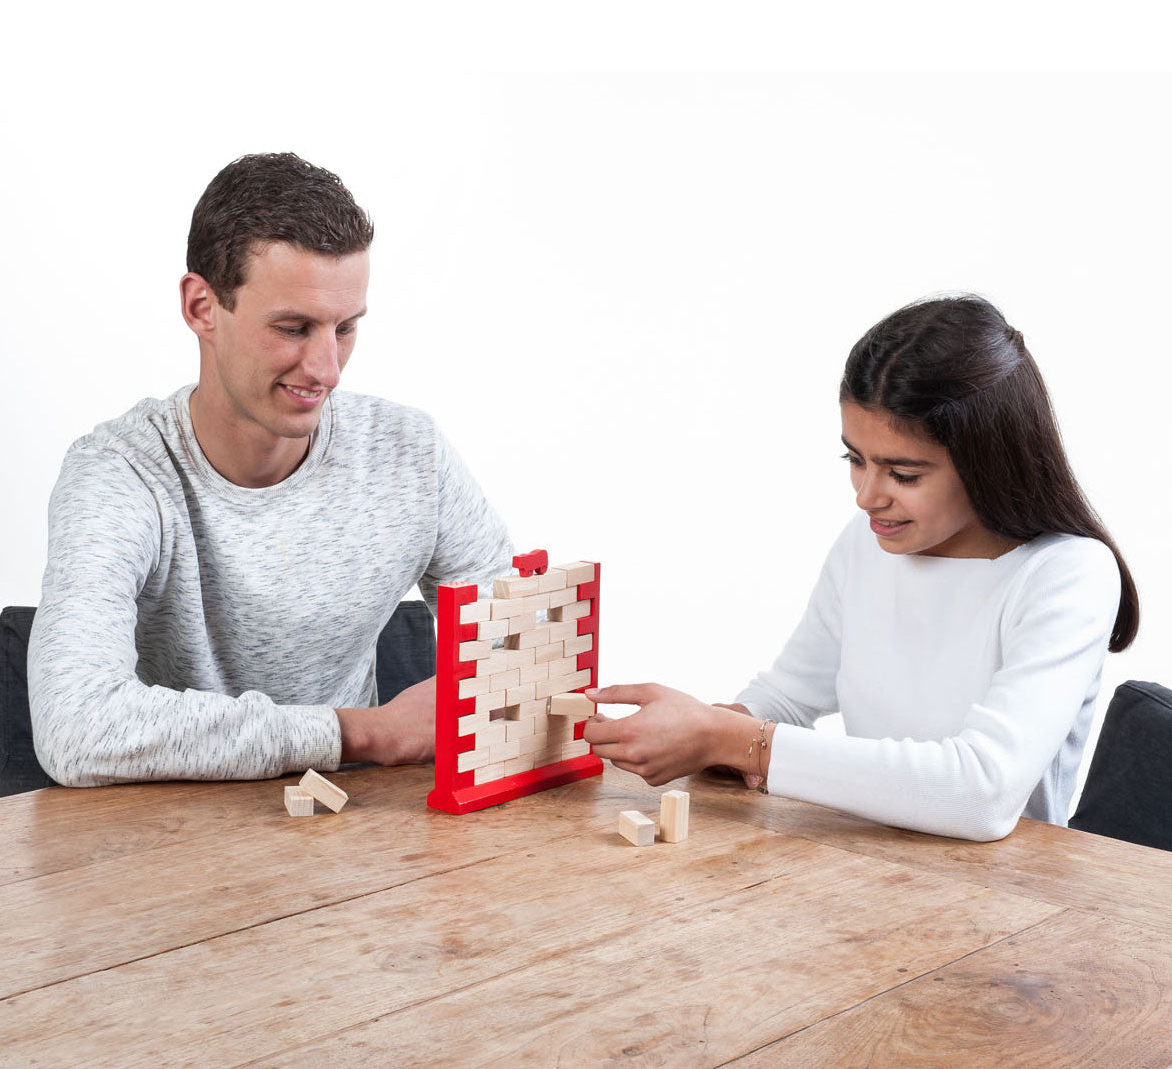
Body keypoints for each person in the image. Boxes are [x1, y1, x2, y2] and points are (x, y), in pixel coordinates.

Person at [28, 153, 512, 786]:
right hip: (161, 841)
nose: (327, 369)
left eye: (345, 328)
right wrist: (363, 733)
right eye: (293, 328)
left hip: (348, 831)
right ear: (202, 307)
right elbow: (78, 729)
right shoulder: (119, 475)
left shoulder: (409, 453)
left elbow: (515, 646)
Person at [584, 295, 1139, 842]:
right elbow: (789, 698)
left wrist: (739, 741)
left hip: (1012, 905)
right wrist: (710, 727)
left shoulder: (1068, 573)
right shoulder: (869, 543)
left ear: (987, 464)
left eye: (903, 474)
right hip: (867, 873)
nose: (867, 497)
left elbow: (982, 794)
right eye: (856, 460)